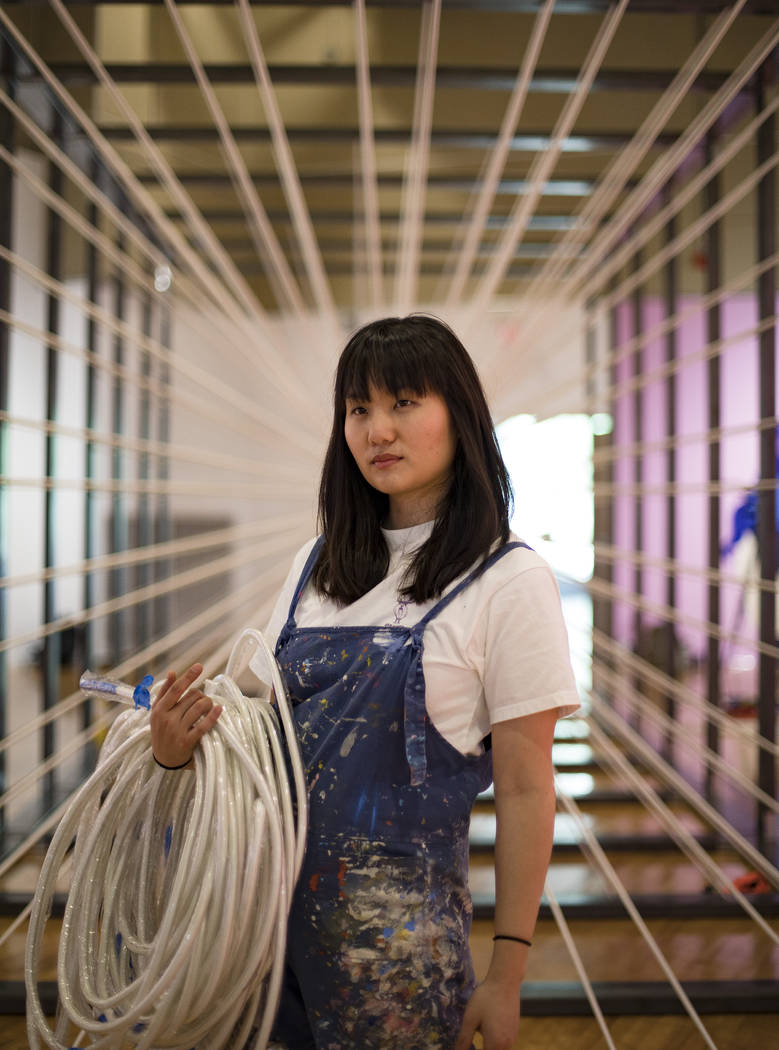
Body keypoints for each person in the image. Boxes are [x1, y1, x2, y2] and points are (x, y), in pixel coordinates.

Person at [150, 315, 580, 1050]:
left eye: (403, 403)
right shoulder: (314, 568)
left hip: (398, 964)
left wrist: (507, 973)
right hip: (253, 944)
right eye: (358, 410)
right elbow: (247, 744)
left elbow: (525, 787)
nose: (377, 430)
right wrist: (173, 748)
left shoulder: (509, 580)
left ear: (459, 416)